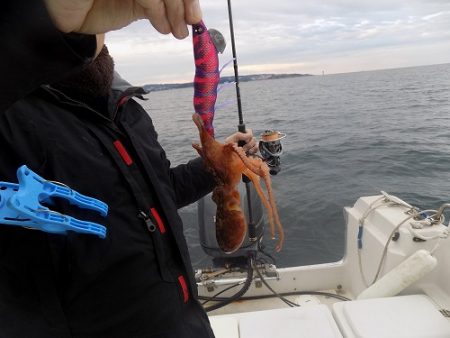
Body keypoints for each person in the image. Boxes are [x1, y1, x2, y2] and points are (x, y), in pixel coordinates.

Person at [1, 0, 258, 337]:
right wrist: (34, 23)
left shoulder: (128, 108)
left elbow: (162, 188)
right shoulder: (11, 119)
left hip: (185, 324)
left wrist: (217, 163)